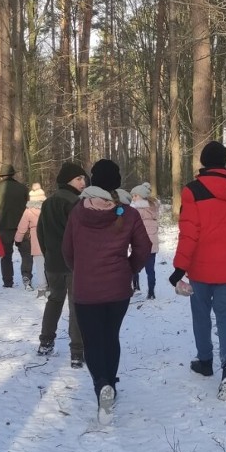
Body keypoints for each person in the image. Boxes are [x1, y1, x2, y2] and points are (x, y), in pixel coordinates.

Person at [168, 140, 226, 402]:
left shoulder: (193, 190)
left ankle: (205, 360)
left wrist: (178, 269)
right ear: (225, 161)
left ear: (204, 162)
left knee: (201, 315)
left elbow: (189, 234)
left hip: (200, 268)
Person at [62, 159, 151, 423]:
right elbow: (143, 248)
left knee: (92, 340)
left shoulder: (78, 211)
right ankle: (110, 382)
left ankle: (101, 385)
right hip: (118, 289)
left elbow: (67, 250)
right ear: (117, 182)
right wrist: (129, 269)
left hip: (86, 288)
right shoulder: (128, 213)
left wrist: (81, 269)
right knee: (110, 336)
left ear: (92, 180)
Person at [36, 161, 88, 366]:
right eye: (79, 178)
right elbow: (81, 235)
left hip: (53, 263)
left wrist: (48, 254)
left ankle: (45, 343)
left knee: (54, 301)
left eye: (84, 178)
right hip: (73, 263)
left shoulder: (48, 202)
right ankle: (77, 353)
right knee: (76, 306)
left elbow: (40, 232)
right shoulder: (76, 203)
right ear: (68, 180)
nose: (83, 182)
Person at [0, 163, 29, 287]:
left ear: (1, 176)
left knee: (5, 255)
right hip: (22, 225)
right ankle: (27, 276)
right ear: (13, 174)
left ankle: (8, 281)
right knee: (26, 253)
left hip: (3, 226)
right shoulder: (23, 188)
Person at [14, 184, 47, 296]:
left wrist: (17, 239)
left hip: (36, 240)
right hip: (49, 240)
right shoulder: (49, 208)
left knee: (39, 264)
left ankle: (42, 288)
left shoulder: (28, 211)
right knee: (49, 264)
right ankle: (51, 286)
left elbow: (22, 227)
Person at [129, 182, 160, 299]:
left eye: (135, 196)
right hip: (151, 245)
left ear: (141, 196)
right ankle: (151, 292)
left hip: (139, 244)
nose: (133, 198)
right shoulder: (154, 207)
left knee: (134, 267)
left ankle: (136, 287)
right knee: (150, 270)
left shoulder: (137, 210)